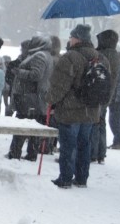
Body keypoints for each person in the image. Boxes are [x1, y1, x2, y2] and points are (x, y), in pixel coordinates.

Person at [46, 24, 110, 189]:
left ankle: (65, 178)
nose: (70, 40)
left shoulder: (69, 57)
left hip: (70, 110)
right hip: (91, 110)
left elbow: (59, 86)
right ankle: (81, 178)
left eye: (72, 37)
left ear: (77, 39)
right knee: (84, 145)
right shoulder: (101, 58)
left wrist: (50, 100)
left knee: (68, 145)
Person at [6, 36, 53, 161]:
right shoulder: (46, 55)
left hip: (30, 97)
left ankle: (15, 152)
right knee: (34, 126)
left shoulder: (39, 56)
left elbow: (36, 75)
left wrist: (19, 72)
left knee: (22, 124)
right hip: (36, 97)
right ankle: (31, 153)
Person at [90, 29, 120, 164]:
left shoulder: (104, 54)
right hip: (108, 93)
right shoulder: (114, 54)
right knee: (101, 122)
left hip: (100, 93)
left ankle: (93, 152)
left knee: (95, 123)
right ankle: (100, 153)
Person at [109, 53, 120, 150]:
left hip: (118, 101)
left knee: (115, 121)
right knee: (115, 121)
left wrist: (116, 100)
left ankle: (119, 142)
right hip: (117, 100)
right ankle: (117, 141)